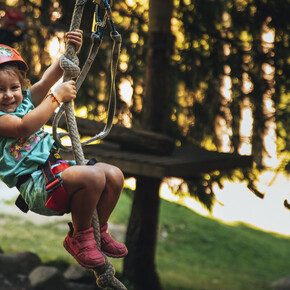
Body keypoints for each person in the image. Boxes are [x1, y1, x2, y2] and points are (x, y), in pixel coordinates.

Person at [0, 29, 128, 269]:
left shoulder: (25, 100)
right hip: (37, 187)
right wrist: (55, 98)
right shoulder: (1, 119)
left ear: (21, 86)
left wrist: (66, 56)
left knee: (114, 175)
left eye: (14, 87)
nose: (8, 95)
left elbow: (46, 81)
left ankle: (97, 231)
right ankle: (79, 238)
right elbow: (23, 127)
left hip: (57, 172)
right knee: (92, 176)